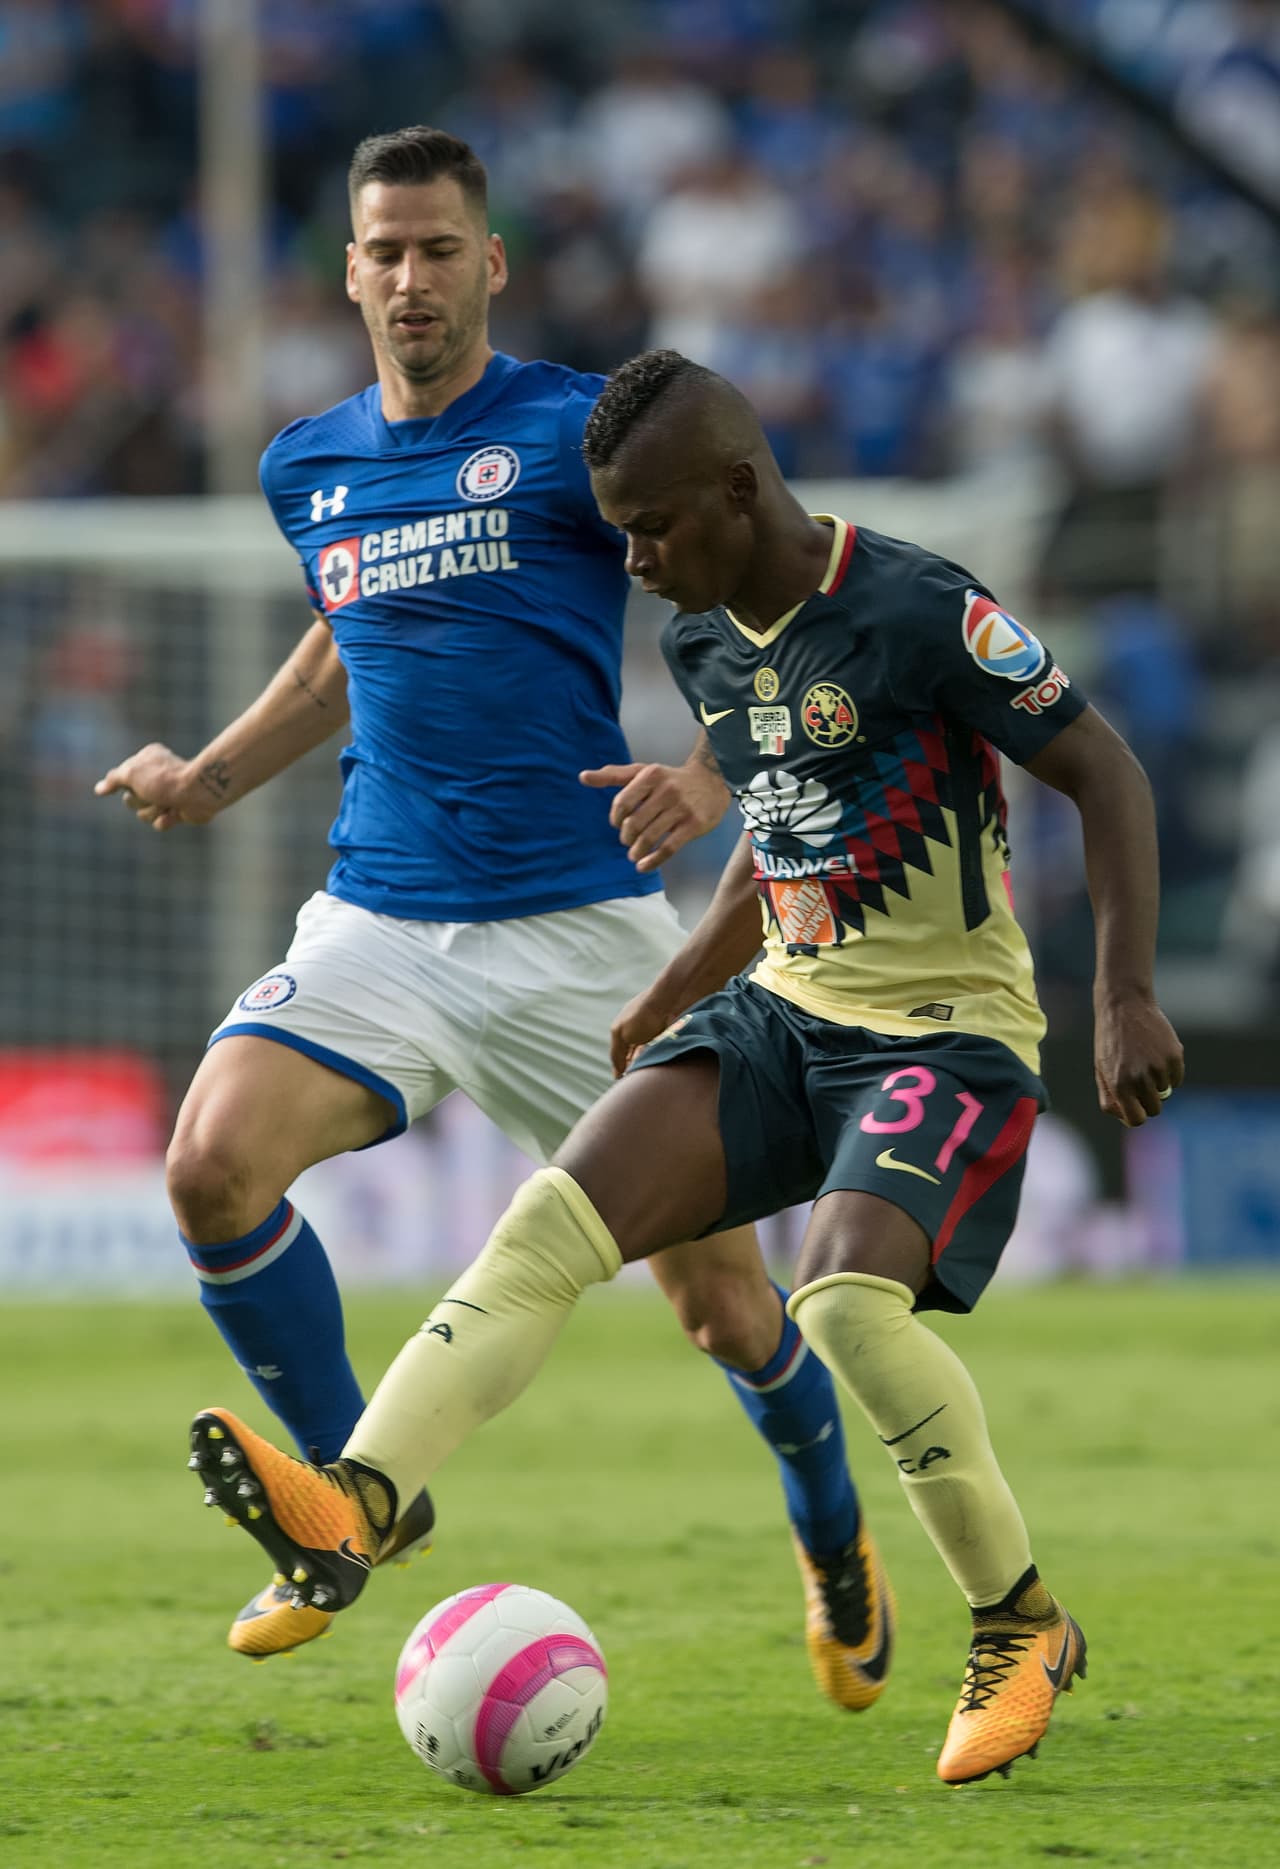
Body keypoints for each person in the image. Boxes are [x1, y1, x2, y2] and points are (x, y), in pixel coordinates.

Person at [187, 349, 1185, 1782]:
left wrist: (1127, 995)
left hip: (943, 1034)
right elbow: (774, 837)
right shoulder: (705, 641)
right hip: (783, 1019)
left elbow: (1108, 772)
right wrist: (669, 992)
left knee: (839, 1301)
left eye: (652, 528)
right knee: (548, 1225)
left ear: (737, 487)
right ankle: (353, 1500)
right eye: (622, 532)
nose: (637, 562)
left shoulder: (911, 603)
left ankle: (1018, 1621)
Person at [96, 136, 877, 1699]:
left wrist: (713, 770)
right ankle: (347, 1500)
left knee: (726, 1309)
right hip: (379, 916)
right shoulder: (307, 462)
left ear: (492, 263)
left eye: (440, 250)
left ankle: (834, 1534)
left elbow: (774, 593)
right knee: (208, 1166)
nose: (411, 280)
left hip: (583, 937)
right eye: (384, 251)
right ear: (349, 271)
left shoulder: (582, 433)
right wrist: (214, 774)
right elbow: (344, 639)